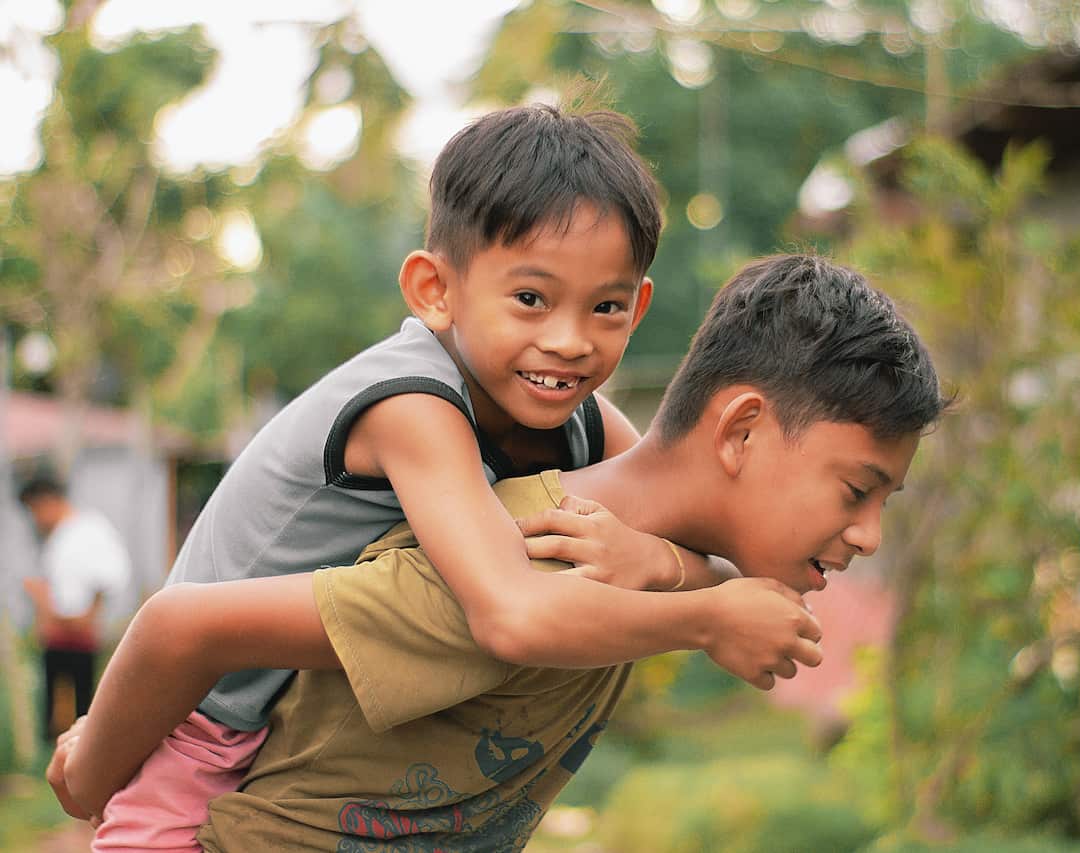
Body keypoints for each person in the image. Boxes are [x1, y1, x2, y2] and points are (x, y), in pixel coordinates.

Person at [70, 103, 819, 852]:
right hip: (200, 727)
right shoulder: (412, 406)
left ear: (640, 306)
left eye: (606, 308)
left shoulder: (576, 416)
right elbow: (511, 614)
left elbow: (670, 492)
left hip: (295, 737)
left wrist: (661, 560)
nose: (568, 341)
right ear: (435, 290)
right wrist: (709, 614)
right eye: (531, 299)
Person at [51, 254, 948, 850]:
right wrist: (85, 773)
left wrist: (678, 575)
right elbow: (183, 626)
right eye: (855, 489)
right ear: (743, 430)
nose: (868, 532)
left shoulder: (624, 545)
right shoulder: (529, 549)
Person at [19, 474, 130, 742]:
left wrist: (89, 613)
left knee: (83, 700)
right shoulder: (56, 537)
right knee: (52, 698)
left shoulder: (89, 529)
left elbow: (110, 574)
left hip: (80, 634)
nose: (35, 519)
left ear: (47, 501)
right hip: (56, 633)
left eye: (35, 510)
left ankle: (81, 751)